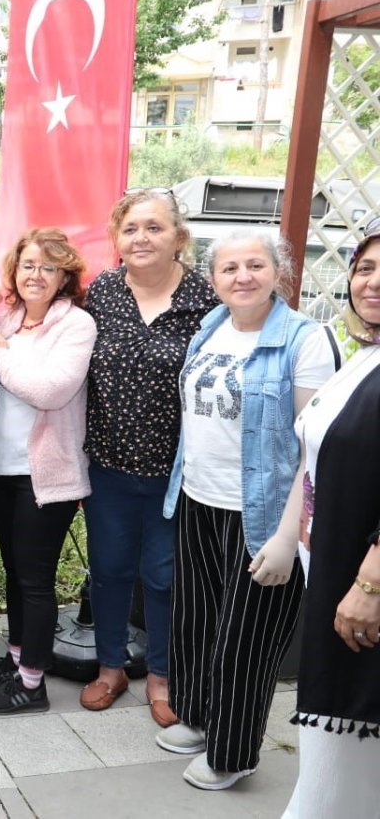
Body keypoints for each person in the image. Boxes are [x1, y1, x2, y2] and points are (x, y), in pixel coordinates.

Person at [156, 231, 337, 789]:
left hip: (264, 516)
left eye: (255, 264)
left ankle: (232, 754)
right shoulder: (211, 328)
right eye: (229, 267)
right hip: (199, 498)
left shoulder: (305, 340)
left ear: (279, 271)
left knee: (246, 640)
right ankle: (200, 715)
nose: (242, 276)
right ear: (213, 280)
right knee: (196, 622)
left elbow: (317, 449)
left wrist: (289, 536)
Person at [81, 189, 217, 725]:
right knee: (110, 571)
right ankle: (110, 666)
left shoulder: (206, 300)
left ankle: (161, 674)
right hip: (107, 465)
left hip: (175, 471)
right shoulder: (102, 292)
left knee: (165, 577)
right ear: (116, 239)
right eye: (131, 228)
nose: (141, 238)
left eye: (154, 228)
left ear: (178, 237)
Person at [0, 228, 96, 715]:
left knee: (36, 580)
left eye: (47, 266)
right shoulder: (9, 318)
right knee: (18, 574)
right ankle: (18, 659)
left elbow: (50, 391)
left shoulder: (76, 325)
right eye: (27, 265)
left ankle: (33, 685)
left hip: (46, 476)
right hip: (2, 470)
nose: (35, 274)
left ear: (64, 275)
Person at [279, 225, 380, 817]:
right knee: (346, 753)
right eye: (365, 268)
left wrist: (370, 584)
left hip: (362, 588)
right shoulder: (363, 357)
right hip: (332, 573)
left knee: (340, 742)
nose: (373, 281)